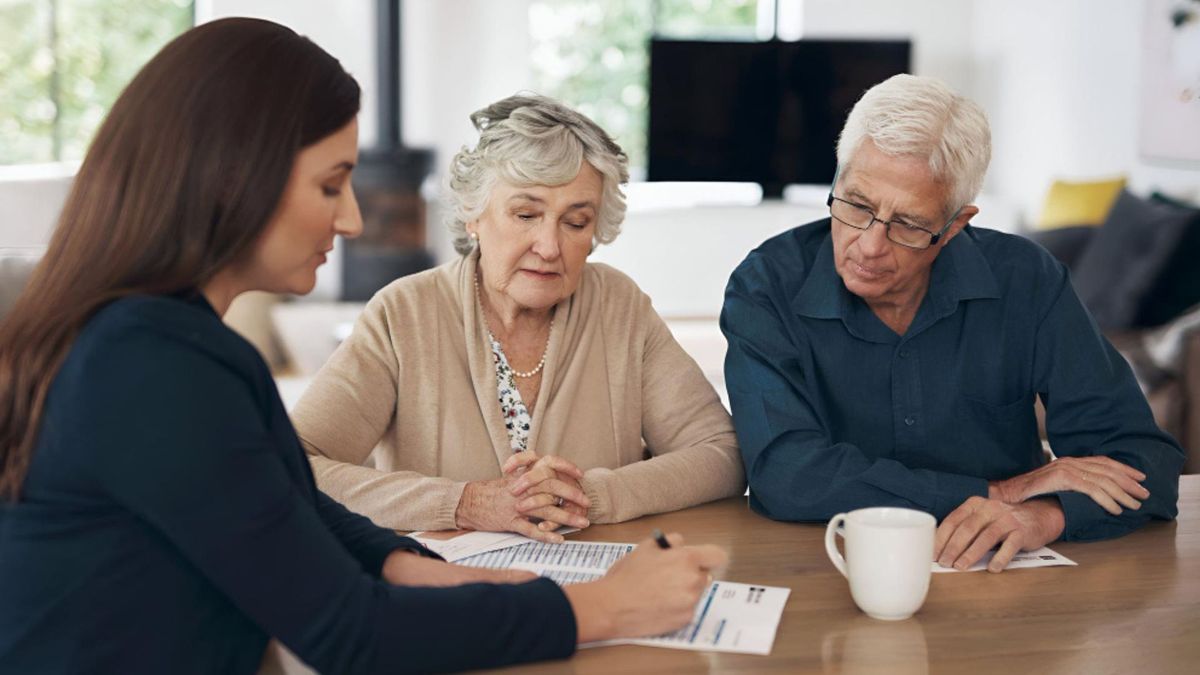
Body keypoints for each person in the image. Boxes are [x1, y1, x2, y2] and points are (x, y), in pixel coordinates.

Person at [0, 19, 727, 674]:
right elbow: (347, 631)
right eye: (331, 184)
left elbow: (285, 500)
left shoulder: (167, 340)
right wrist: (602, 607)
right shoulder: (154, 367)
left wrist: (409, 562)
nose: (351, 219)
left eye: (576, 220)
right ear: (234, 177)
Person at [721, 74, 1185, 574]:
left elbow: (1144, 461)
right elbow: (787, 475)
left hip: (1003, 581)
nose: (870, 246)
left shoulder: (1027, 280)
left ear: (955, 225)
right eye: (857, 205)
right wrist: (1001, 492)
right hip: (826, 569)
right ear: (837, 180)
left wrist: (1044, 515)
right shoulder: (766, 286)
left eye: (909, 224)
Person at [292, 93, 744, 540]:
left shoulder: (619, 306)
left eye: (575, 222)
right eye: (526, 214)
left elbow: (722, 455)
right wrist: (464, 504)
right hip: (438, 591)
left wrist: (592, 495)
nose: (549, 247)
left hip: (598, 584)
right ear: (474, 215)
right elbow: (293, 467)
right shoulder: (403, 313)